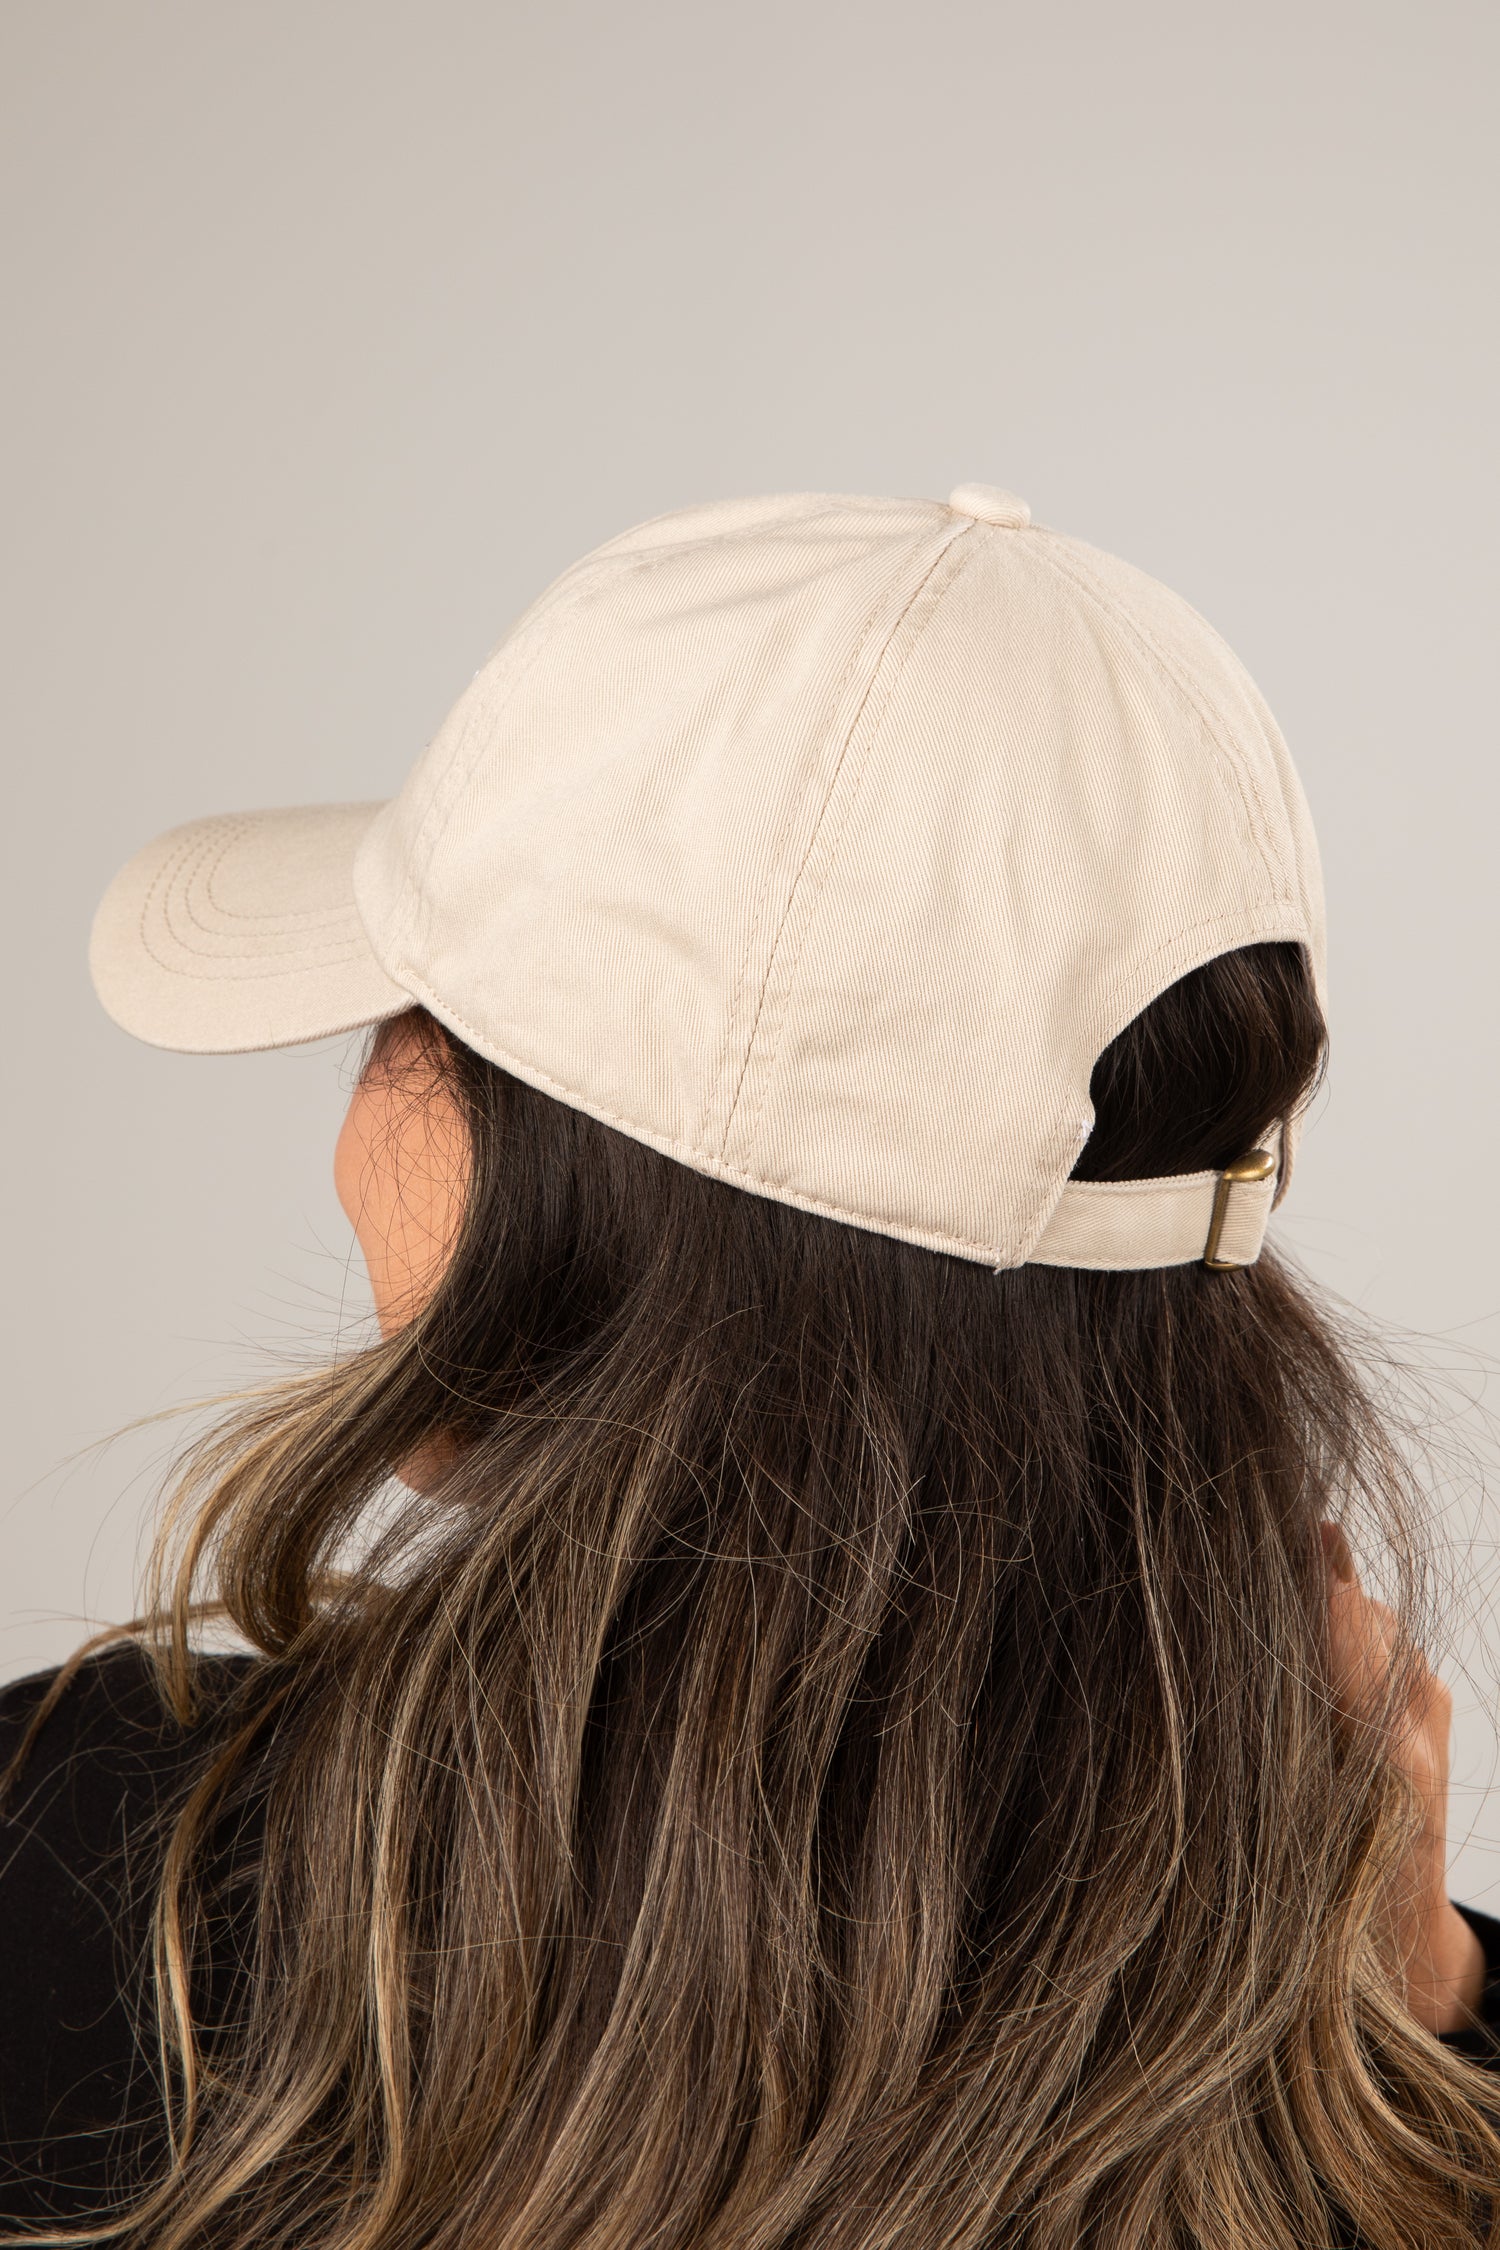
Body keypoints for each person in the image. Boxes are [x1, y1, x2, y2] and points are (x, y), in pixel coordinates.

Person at [2, 484, 1497, 2249]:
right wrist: (1430, 2025)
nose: (362, 1086)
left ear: (564, 1203)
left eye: (412, 1016)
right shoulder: (1357, 2095)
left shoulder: (101, 1881)